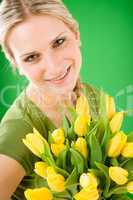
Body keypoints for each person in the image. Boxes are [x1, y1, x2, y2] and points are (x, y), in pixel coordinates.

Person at [0, 0, 100, 199]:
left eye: (58, 42)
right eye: (31, 57)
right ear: (16, 64)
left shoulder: (92, 96)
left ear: (76, 34)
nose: (53, 67)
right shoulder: (19, 132)